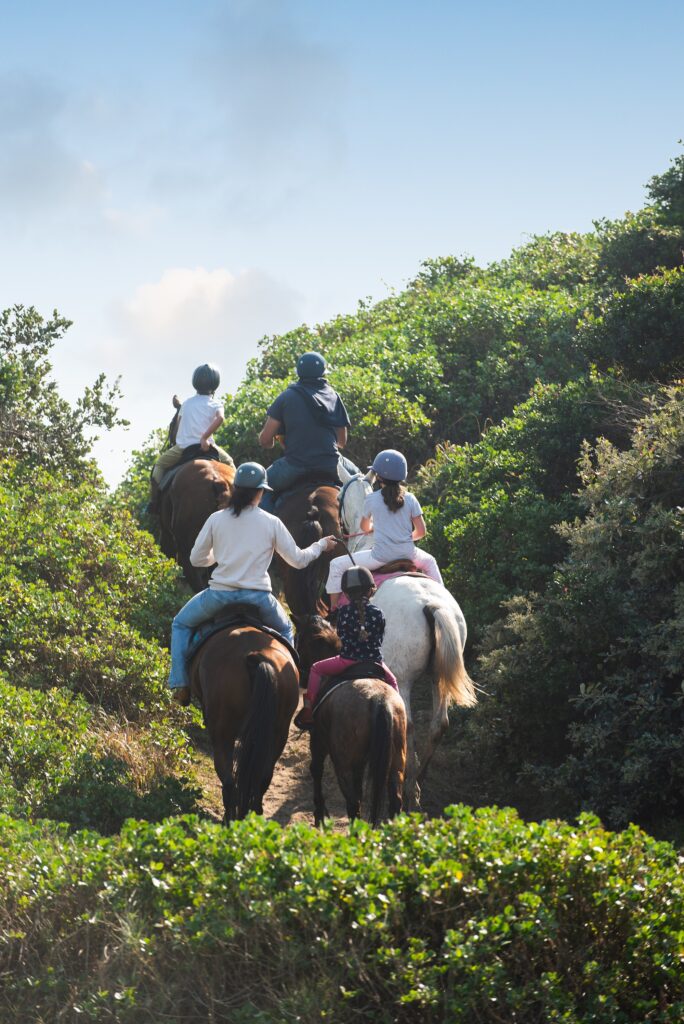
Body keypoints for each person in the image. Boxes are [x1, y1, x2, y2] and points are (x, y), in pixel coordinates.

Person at [167, 461, 337, 705]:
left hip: (219, 595)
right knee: (287, 630)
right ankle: (289, 687)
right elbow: (299, 561)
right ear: (261, 492)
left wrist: (218, 555)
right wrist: (321, 545)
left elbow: (196, 559)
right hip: (260, 598)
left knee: (181, 624)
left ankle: (180, 684)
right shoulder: (271, 521)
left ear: (235, 488)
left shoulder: (217, 519)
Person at [325, 448, 443, 608]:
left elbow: (364, 527)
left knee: (336, 565)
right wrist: (405, 538)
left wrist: (377, 527)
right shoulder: (411, 498)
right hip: (409, 554)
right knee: (430, 562)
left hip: (379, 557)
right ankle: (442, 600)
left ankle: (333, 610)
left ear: (378, 476)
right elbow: (421, 532)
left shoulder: (371, 499)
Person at [295, 566, 399, 730]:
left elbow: (341, 637)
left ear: (347, 594)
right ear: (370, 591)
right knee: (393, 681)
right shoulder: (378, 613)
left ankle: (308, 710)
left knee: (315, 669)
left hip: (347, 661)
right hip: (375, 662)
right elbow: (380, 637)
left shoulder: (343, 612)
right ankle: (400, 717)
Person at [257, 351, 359, 512]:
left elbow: (265, 440)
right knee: (361, 483)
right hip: (331, 464)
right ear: (324, 372)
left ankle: (264, 532)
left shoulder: (286, 397)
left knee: (259, 486)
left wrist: (271, 442)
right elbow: (342, 441)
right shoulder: (333, 395)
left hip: (294, 465)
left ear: (299, 372)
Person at [149, 363, 234, 513]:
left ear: (195, 383)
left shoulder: (187, 403)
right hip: (209, 447)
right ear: (215, 385)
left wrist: (197, 436)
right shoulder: (216, 403)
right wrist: (205, 438)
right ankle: (241, 500)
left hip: (183, 448)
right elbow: (220, 418)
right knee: (230, 464)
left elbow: (177, 428)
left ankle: (154, 502)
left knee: (160, 465)